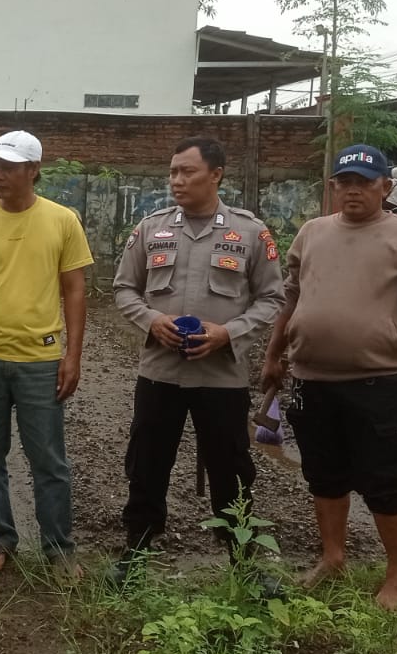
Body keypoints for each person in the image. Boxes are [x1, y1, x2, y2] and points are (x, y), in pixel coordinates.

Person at [261, 144, 397, 610]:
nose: (354, 190)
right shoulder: (311, 233)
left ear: (386, 187)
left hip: (374, 383)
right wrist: (273, 356)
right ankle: (333, 557)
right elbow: (291, 300)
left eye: (365, 182)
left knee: (386, 480)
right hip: (310, 380)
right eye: (345, 181)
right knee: (324, 475)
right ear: (333, 187)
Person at [109, 137, 285, 590]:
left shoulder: (250, 232)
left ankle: (243, 562)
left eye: (187, 172)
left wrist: (229, 333)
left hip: (220, 377)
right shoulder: (151, 229)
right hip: (160, 375)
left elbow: (272, 299)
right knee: (146, 464)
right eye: (172, 172)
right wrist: (152, 321)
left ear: (217, 174)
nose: (177, 181)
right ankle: (137, 551)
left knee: (231, 468)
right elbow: (124, 289)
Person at [0, 130, 93, 579]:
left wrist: (73, 355)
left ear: (33, 171)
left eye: (8, 167)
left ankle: (58, 547)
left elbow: (74, 290)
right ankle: (0, 534)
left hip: (40, 360)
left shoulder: (63, 220)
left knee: (48, 457)